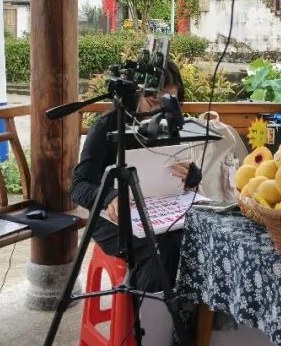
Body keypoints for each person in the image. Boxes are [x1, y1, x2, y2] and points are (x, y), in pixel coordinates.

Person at [71, 59, 193, 292]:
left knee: (196, 236)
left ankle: (190, 309)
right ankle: (150, 311)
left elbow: (176, 175)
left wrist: (190, 175)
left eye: (169, 103)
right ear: (137, 93)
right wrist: (110, 196)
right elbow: (78, 186)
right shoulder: (107, 126)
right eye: (154, 101)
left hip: (161, 209)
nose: (159, 111)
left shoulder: (169, 124)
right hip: (112, 218)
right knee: (162, 246)